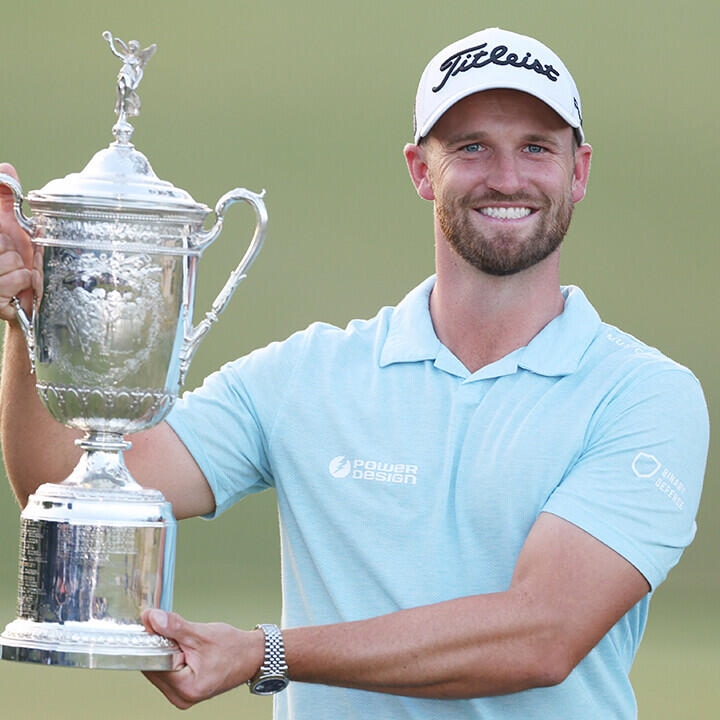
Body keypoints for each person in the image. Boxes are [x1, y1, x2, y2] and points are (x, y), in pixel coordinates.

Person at [0, 27, 709, 720]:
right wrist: (29, 318)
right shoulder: (308, 374)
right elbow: (63, 485)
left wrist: (268, 653)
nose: (506, 176)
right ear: (419, 169)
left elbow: (542, 635)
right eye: (470, 147)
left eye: (535, 147)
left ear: (578, 170)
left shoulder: (645, 396)